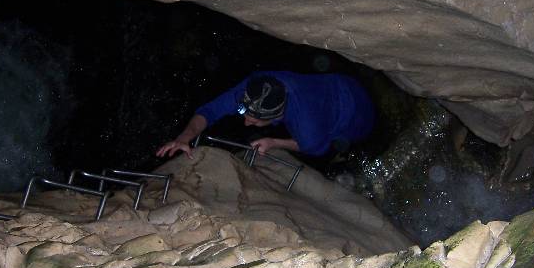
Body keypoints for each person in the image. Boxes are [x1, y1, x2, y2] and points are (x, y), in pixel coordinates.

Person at [156, 71, 375, 159]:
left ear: (275, 117)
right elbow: (209, 111)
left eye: (254, 120)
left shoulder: (307, 127)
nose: (246, 122)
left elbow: (312, 147)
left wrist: (274, 142)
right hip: (338, 81)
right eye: (243, 112)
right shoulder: (256, 87)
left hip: (356, 116)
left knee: (345, 143)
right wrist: (184, 138)